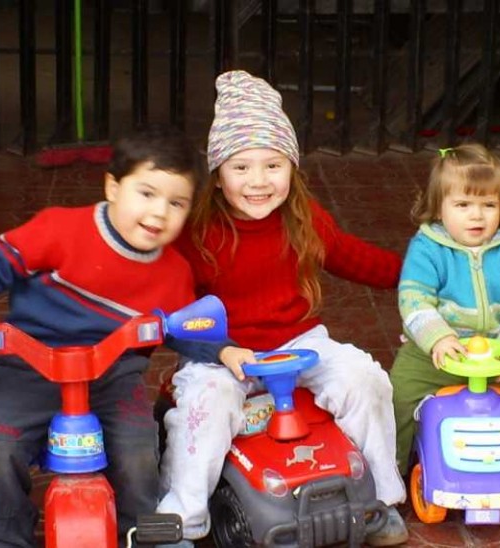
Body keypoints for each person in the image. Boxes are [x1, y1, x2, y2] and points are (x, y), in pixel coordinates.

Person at [0, 125, 255, 548]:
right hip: (29, 365)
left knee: (138, 453)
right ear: (113, 187)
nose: (159, 213)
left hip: (113, 375)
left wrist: (223, 347)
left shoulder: (174, 273)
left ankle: (140, 533)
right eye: (147, 193)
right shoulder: (61, 228)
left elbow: (186, 328)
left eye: (176, 202)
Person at [156, 70, 408, 548]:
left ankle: (380, 500)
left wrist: (415, 276)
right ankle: (182, 519)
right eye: (241, 167)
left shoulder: (305, 218)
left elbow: (354, 257)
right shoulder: (197, 232)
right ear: (218, 173)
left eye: (273, 165)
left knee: (366, 379)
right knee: (207, 404)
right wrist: (216, 347)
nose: (258, 181)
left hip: (299, 343)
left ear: (291, 168)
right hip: (223, 351)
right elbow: (174, 308)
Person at [390, 143, 500, 485]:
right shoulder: (427, 248)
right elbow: (414, 299)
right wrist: (439, 337)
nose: (477, 216)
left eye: (488, 205)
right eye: (463, 204)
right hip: (433, 353)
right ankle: (395, 458)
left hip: (495, 351)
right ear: (438, 209)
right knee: (399, 392)